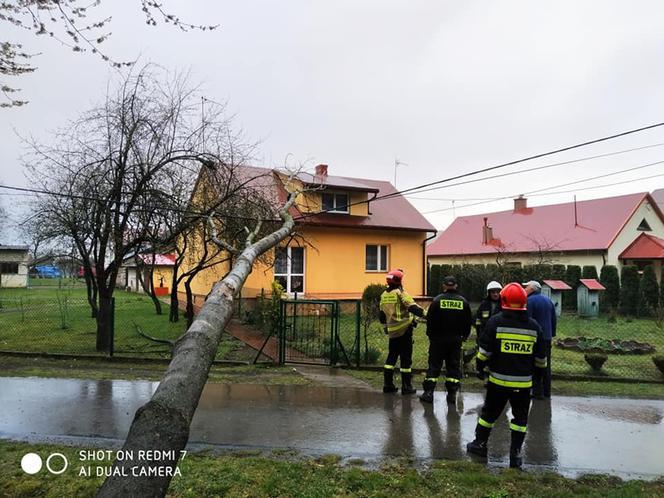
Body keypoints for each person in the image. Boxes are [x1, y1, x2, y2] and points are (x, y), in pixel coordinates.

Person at [466, 282, 547, 469]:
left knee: (488, 415)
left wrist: (479, 367)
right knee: (520, 420)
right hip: (524, 385)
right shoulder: (534, 327)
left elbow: (484, 352)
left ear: (504, 300)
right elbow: (541, 359)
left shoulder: (496, 322)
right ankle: (516, 454)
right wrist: (537, 379)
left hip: (498, 382)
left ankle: (480, 444)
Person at [419, 275, 472, 405]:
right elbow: (467, 322)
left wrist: (430, 335)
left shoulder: (437, 301)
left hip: (438, 340)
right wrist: (464, 336)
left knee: (434, 366)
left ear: (444, 286)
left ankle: (429, 393)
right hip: (455, 341)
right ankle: (452, 394)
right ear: (455, 286)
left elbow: (430, 321)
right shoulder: (463, 302)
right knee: (453, 367)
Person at [379, 269, 426, 395]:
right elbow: (412, 307)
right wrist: (426, 314)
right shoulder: (400, 292)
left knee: (391, 358)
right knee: (405, 359)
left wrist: (385, 328)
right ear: (399, 280)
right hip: (404, 331)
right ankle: (407, 387)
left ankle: (388, 385)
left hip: (392, 332)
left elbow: (382, 315)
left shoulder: (384, 295)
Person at [523, 280, 557, 399]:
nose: (524, 289)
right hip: (546, 338)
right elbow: (553, 319)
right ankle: (547, 392)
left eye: (526, 287)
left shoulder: (529, 301)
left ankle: (537, 392)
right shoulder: (548, 300)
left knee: (534, 364)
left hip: (534, 338)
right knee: (545, 364)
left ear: (532, 289)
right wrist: (552, 334)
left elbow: (528, 320)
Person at [466, 281, 503, 360]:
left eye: (497, 292)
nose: (496, 294)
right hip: (485, 335)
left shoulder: (503, 305)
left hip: (499, 336)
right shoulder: (484, 304)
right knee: (482, 357)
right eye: (493, 292)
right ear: (489, 293)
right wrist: (479, 334)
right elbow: (477, 320)